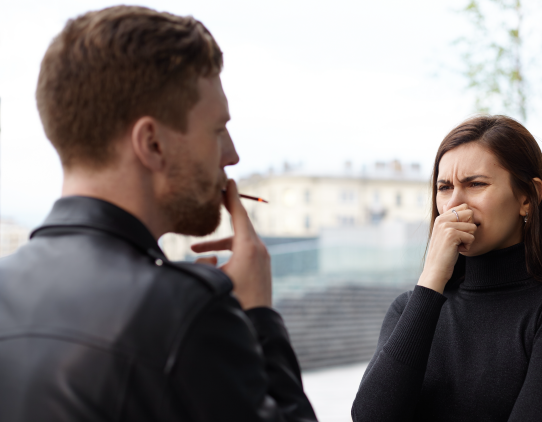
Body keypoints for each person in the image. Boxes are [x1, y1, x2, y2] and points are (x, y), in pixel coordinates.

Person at [0, 6, 317, 422]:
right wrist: (258, 316)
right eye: (217, 130)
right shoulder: (186, 312)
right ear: (152, 143)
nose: (232, 154)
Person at [352, 116, 542, 421]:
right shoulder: (410, 308)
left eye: (476, 184)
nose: (455, 205)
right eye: (444, 187)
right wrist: (431, 280)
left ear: (528, 197)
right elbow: (370, 417)